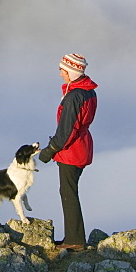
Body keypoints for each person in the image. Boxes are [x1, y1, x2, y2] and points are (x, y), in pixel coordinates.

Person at [38, 53, 98, 251]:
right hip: (82, 147)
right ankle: (74, 237)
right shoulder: (88, 91)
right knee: (69, 191)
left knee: (68, 192)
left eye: (62, 70)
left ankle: (74, 240)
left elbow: (66, 130)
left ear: (71, 71)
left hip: (71, 151)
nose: (60, 74)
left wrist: (49, 151)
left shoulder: (74, 96)